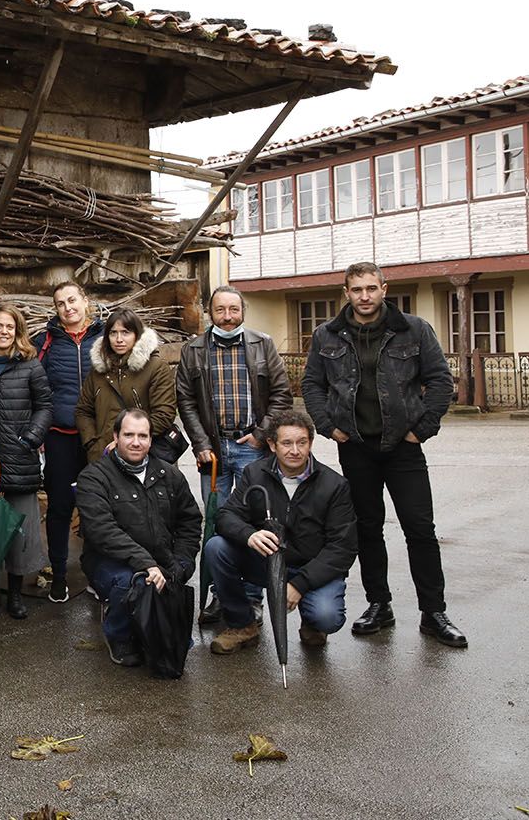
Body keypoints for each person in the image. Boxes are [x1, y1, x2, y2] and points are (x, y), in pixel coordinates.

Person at [302, 262, 466, 648]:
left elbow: (440, 379)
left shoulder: (414, 329)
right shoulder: (327, 335)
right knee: (367, 528)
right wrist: (329, 426)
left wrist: (420, 429)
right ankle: (380, 604)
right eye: (357, 289)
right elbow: (312, 383)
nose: (364, 296)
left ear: (384, 289)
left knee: (419, 528)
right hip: (356, 447)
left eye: (371, 288)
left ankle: (433, 612)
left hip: (402, 447)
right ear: (346, 292)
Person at [176, 285, 293, 622]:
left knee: (257, 523)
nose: (227, 317)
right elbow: (186, 400)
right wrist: (201, 444)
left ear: (243, 312)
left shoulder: (262, 344)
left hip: (250, 450)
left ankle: (253, 596)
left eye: (233, 310)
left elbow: (282, 394)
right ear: (209, 312)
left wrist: (261, 435)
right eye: (220, 310)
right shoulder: (194, 349)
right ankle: (220, 595)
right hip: (212, 452)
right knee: (215, 523)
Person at [207, 409, 357, 654]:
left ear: (311, 443)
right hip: (268, 563)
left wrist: (300, 584)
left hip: (311, 568)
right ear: (272, 444)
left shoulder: (335, 485)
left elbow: (343, 547)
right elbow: (225, 516)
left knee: (327, 616)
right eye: (286, 443)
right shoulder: (254, 473)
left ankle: (312, 623)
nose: (295, 451)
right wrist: (249, 534)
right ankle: (243, 624)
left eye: (302, 443)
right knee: (217, 547)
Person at [75, 407, 203, 667]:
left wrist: (182, 563)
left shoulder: (170, 475)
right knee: (132, 583)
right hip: (110, 562)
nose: (136, 442)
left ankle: (151, 622)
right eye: (129, 435)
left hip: (161, 559)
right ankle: (119, 633)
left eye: (142, 436)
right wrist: (146, 564)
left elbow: (190, 521)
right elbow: (102, 531)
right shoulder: (94, 477)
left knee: (175, 646)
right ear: (116, 436)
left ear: (151, 439)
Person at [0, 304, 53, 619]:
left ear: (18, 331)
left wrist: (31, 438)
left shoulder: (31, 366)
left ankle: (16, 594)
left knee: (20, 531)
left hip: (20, 459)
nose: (3, 332)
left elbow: (45, 406)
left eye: (9, 327)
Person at [30, 280, 104, 602]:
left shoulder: (104, 337)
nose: (67, 307)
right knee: (60, 507)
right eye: (60, 303)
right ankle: (59, 574)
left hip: (98, 438)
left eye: (72, 300)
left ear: (85, 301)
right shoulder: (44, 341)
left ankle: (97, 574)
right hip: (59, 436)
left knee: (98, 508)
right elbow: (34, 386)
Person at [74, 307, 177, 464]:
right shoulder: (99, 371)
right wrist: (92, 443)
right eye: (113, 333)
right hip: (104, 455)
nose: (119, 339)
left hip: (146, 456)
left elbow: (164, 414)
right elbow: (83, 410)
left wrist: (127, 440)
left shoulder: (156, 368)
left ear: (137, 335)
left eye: (125, 332)